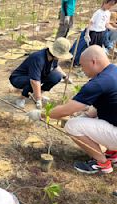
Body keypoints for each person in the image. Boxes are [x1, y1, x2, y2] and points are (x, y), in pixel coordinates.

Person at [27, 45, 117, 174]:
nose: (82, 69)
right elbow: (108, 103)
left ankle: (102, 163)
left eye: (82, 65)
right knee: (86, 117)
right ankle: (113, 153)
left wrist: (40, 114)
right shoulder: (113, 71)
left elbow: (65, 111)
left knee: (72, 125)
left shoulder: (98, 83)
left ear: (93, 62)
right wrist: (88, 113)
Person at [9, 37, 72, 109]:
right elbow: (34, 81)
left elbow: (55, 67)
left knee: (56, 76)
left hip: (35, 77)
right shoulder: (38, 58)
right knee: (32, 82)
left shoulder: (53, 57)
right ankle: (21, 99)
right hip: (18, 78)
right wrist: (38, 100)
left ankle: (37, 94)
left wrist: (65, 76)